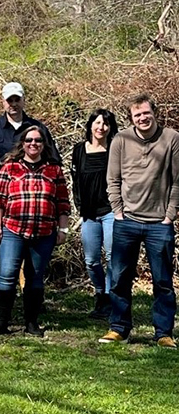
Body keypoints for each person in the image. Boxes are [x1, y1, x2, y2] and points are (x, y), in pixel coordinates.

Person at [0, 82, 61, 309]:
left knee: (28, 247)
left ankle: (30, 295)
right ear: (3, 101)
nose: (13, 104)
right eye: (9, 100)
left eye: (17, 99)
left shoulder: (37, 129)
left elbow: (53, 162)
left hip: (28, 203)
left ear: (23, 100)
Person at [99, 94, 179, 348]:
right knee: (120, 277)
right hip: (127, 221)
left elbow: (177, 180)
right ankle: (119, 328)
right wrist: (118, 211)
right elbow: (112, 179)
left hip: (159, 224)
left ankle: (163, 333)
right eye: (137, 115)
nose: (143, 118)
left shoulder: (172, 139)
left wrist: (170, 215)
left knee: (163, 281)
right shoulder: (121, 140)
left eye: (146, 113)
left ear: (154, 113)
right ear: (131, 118)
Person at [0, 126, 70, 337]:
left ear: (44, 144)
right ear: (22, 143)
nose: (34, 144)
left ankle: (31, 323)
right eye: (29, 140)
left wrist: (63, 228)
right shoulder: (10, 168)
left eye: (38, 140)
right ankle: (1, 322)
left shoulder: (54, 170)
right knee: (6, 275)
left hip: (44, 232)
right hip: (13, 229)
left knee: (35, 278)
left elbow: (62, 202)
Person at [70, 108, 118, 318]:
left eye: (106, 124)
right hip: (89, 213)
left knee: (112, 256)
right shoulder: (79, 150)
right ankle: (100, 292)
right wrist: (79, 205)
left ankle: (109, 298)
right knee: (91, 260)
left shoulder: (116, 149)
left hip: (111, 211)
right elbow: (76, 181)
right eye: (98, 123)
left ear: (110, 127)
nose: (101, 127)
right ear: (90, 125)